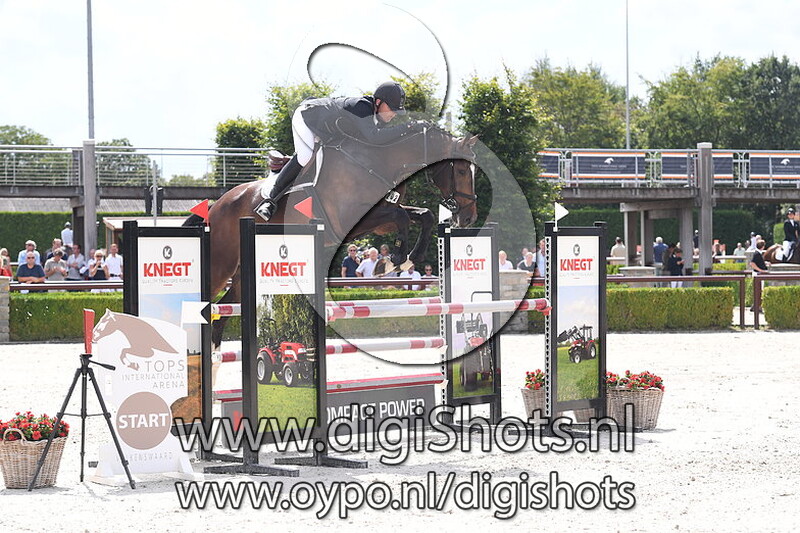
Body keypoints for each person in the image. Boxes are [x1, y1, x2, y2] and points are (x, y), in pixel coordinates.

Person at [255, 81, 416, 220]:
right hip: (307, 118)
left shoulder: (375, 118)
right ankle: (270, 200)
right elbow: (375, 138)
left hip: (325, 131)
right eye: (391, 108)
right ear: (379, 102)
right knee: (305, 156)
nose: (393, 114)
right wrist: (409, 127)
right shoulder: (362, 107)